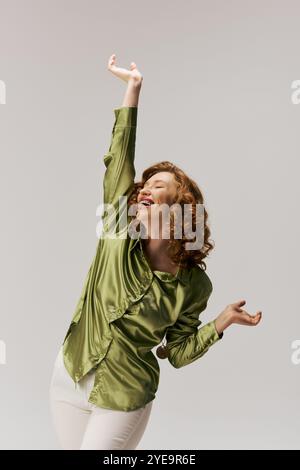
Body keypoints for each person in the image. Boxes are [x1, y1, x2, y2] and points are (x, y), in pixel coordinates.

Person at [49, 54, 262, 450]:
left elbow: (176, 352)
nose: (145, 187)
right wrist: (132, 90)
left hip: (124, 396)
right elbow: (119, 159)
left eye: (159, 185)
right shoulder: (118, 232)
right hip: (69, 376)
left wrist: (219, 323)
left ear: (181, 208)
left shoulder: (195, 285)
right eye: (145, 183)